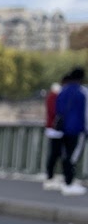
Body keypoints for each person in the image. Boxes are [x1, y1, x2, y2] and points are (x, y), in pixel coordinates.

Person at [54, 67, 87, 196]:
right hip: (77, 128)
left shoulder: (63, 91)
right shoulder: (81, 92)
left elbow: (59, 110)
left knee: (66, 155)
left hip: (64, 129)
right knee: (73, 157)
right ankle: (69, 183)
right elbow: (85, 113)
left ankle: (67, 181)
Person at [43, 81, 64, 190]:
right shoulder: (54, 97)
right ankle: (50, 176)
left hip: (53, 129)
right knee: (56, 154)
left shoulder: (51, 96)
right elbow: (55, 112)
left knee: (55, 153)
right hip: (55, 130)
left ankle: (50, 175)